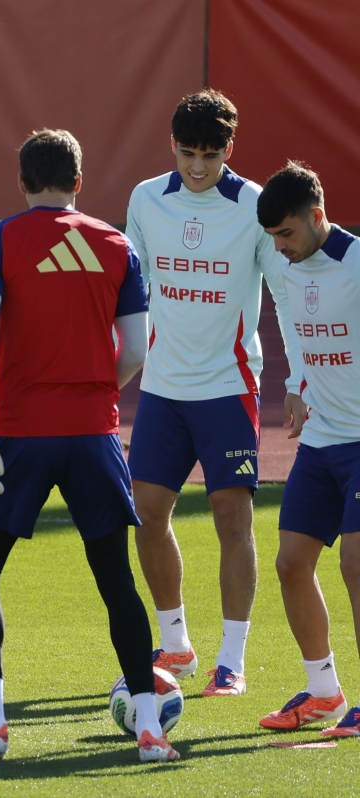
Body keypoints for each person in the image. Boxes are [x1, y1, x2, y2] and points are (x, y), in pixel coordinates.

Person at [0, 129, 177, 763]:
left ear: (22, 182)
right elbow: (137, 348)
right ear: (79, 180)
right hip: (94, 435)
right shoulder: (117, 244)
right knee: (117, 582)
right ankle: (150, 730)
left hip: (18, 432)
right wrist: (96, 390)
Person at [124, 90, 305, 698]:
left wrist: (297, 380)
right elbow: (131, 289)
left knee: (233, 518)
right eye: (186, 153)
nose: (197, 167)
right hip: (163, 387)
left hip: (229, 388)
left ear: (230, 149)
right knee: (145, 514)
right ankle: (174, 643)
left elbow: (285, 296)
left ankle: (233, 660)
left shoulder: (254, 205)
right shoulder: (147, 199)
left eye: (210, 155)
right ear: (170, 145)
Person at [255, 164, 360, 735]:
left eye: (287, 235)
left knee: (356, 565)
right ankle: (323, 692)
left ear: (317, 217)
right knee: (291, 564)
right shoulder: (292, 270)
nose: (280, 248)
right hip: (321, 443)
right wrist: (297, 385)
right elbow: (297, 329)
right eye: (272, 239)